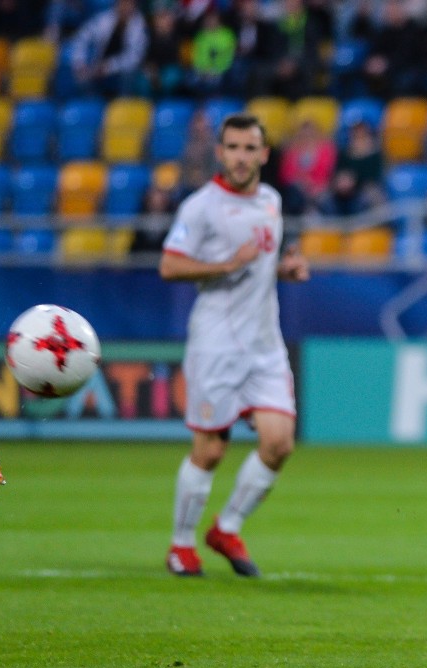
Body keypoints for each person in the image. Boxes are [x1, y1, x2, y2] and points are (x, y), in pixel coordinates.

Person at [159, 113, 310, 578]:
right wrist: (226, 264)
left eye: (250, 148)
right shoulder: (201, 207)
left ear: (264, 154)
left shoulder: (271, 200)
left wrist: (285, 269)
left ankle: (226, 527)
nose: (242, 157)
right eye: (234, 148)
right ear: (220, 153)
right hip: (216, 345)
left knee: (279, 443)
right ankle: (181, 546)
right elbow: (169, 265)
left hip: (264, 344)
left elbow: (261, 263)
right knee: (210, 451)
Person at [68, 0, 149, 97]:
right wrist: (80, 62)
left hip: (120, 70)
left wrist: (109, 67)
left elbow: (134, 57)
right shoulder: (103, 19)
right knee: (79, 76)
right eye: (122, 3)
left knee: (129, 74)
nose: (125, 7)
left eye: (129, 4)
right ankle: (90, 103)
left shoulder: (140, 25)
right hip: (97, 67)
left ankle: (122, 105)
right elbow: (82, 37)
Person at [321, 118, 384, 217]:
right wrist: (341, 181)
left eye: (361, 131)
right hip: (343, 188)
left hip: (365, 188)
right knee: (324, 196)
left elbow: (374, 176)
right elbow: (338, 172)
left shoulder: (375, 154)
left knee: (371, 196)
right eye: (356, 131)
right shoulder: (344, 153)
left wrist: (354, 181)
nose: (359, 134)